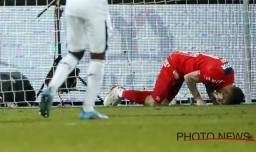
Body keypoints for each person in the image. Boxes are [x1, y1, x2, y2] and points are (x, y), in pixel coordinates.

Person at [104, 51, 244, 107]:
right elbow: (189, 78)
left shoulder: (227, 77)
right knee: (153, 102)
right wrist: (198, 99)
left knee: (162, 104)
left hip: (182, 68)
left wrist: (212, 98)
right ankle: (119, 91)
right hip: (175, 65)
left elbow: (209, 81)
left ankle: (138, 93)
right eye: (223, 101)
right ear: (227, 93)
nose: (221, 101)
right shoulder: (217, 75)